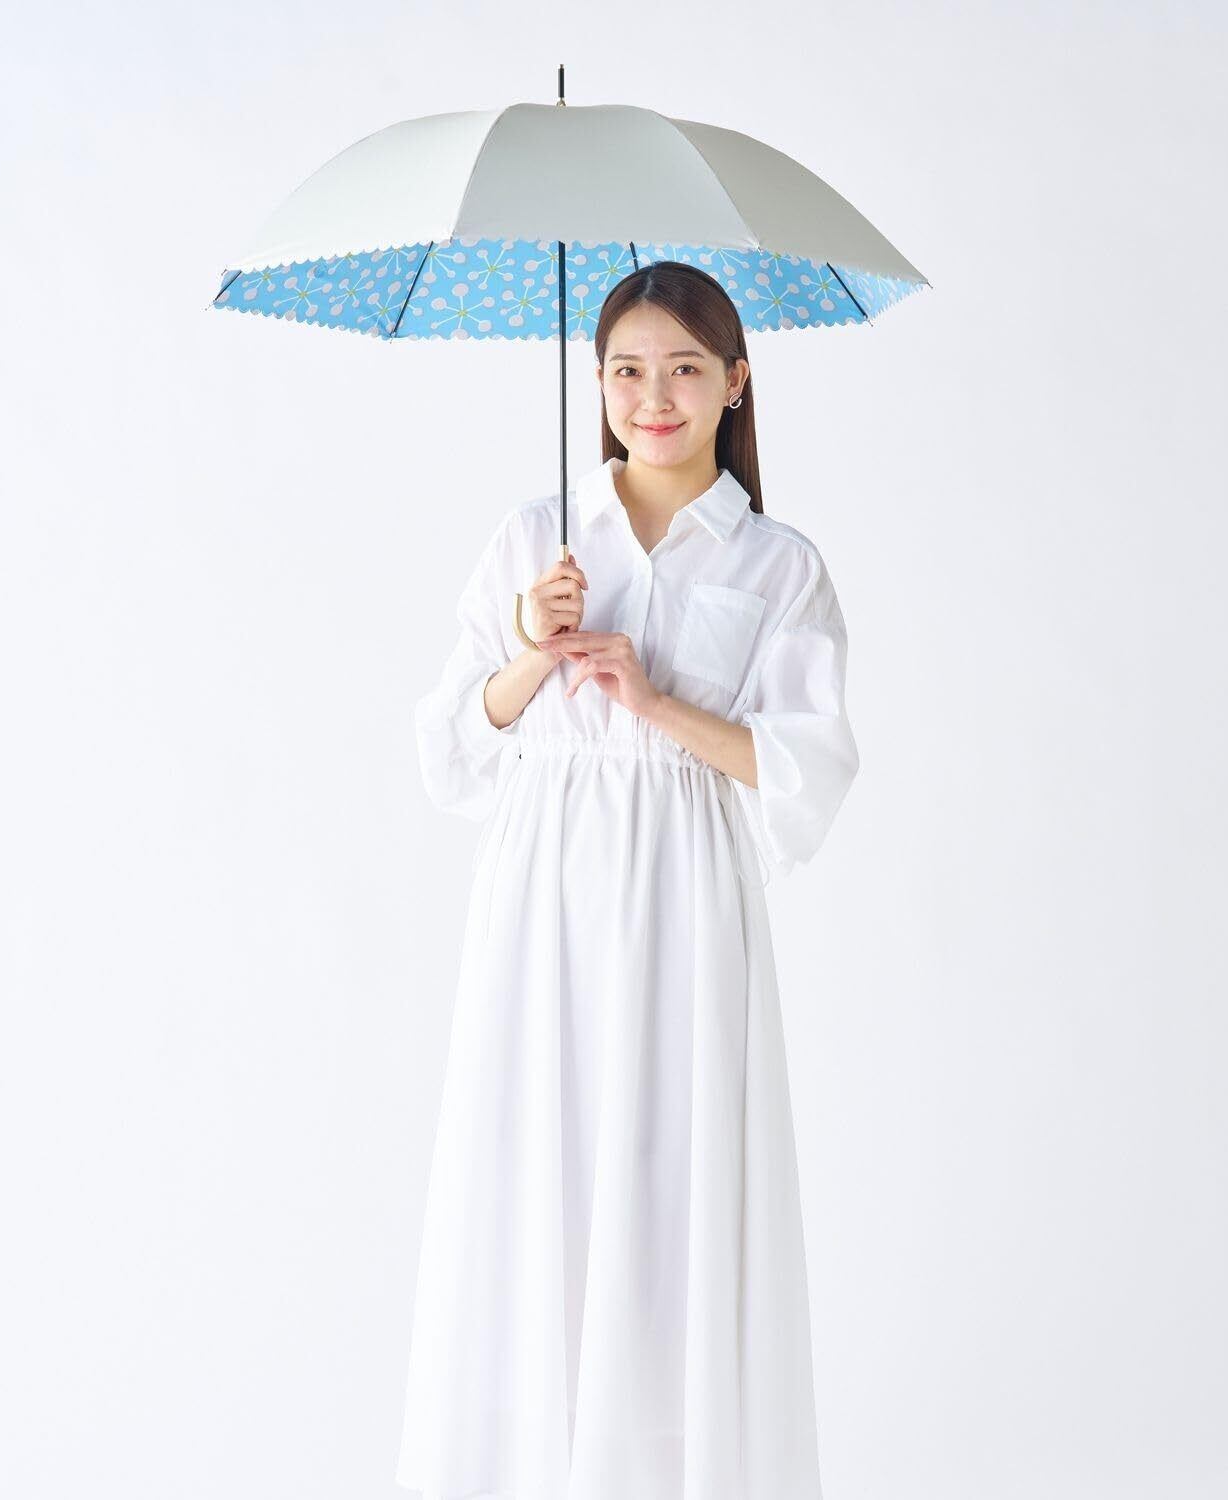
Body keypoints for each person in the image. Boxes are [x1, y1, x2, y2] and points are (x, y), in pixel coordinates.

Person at [395, 260, 861, 1500]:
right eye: (627, 370)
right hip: (542, 899)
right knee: (536, 1178)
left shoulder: (778, 565)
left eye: (685, 369)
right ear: (595, 382)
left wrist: (653, 704)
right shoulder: (536, 538)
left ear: (736, 382)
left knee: (670, 1194)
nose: (654, 397)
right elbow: (451, 749)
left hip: (686, 903)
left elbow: (805, 769)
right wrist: (530, 649)